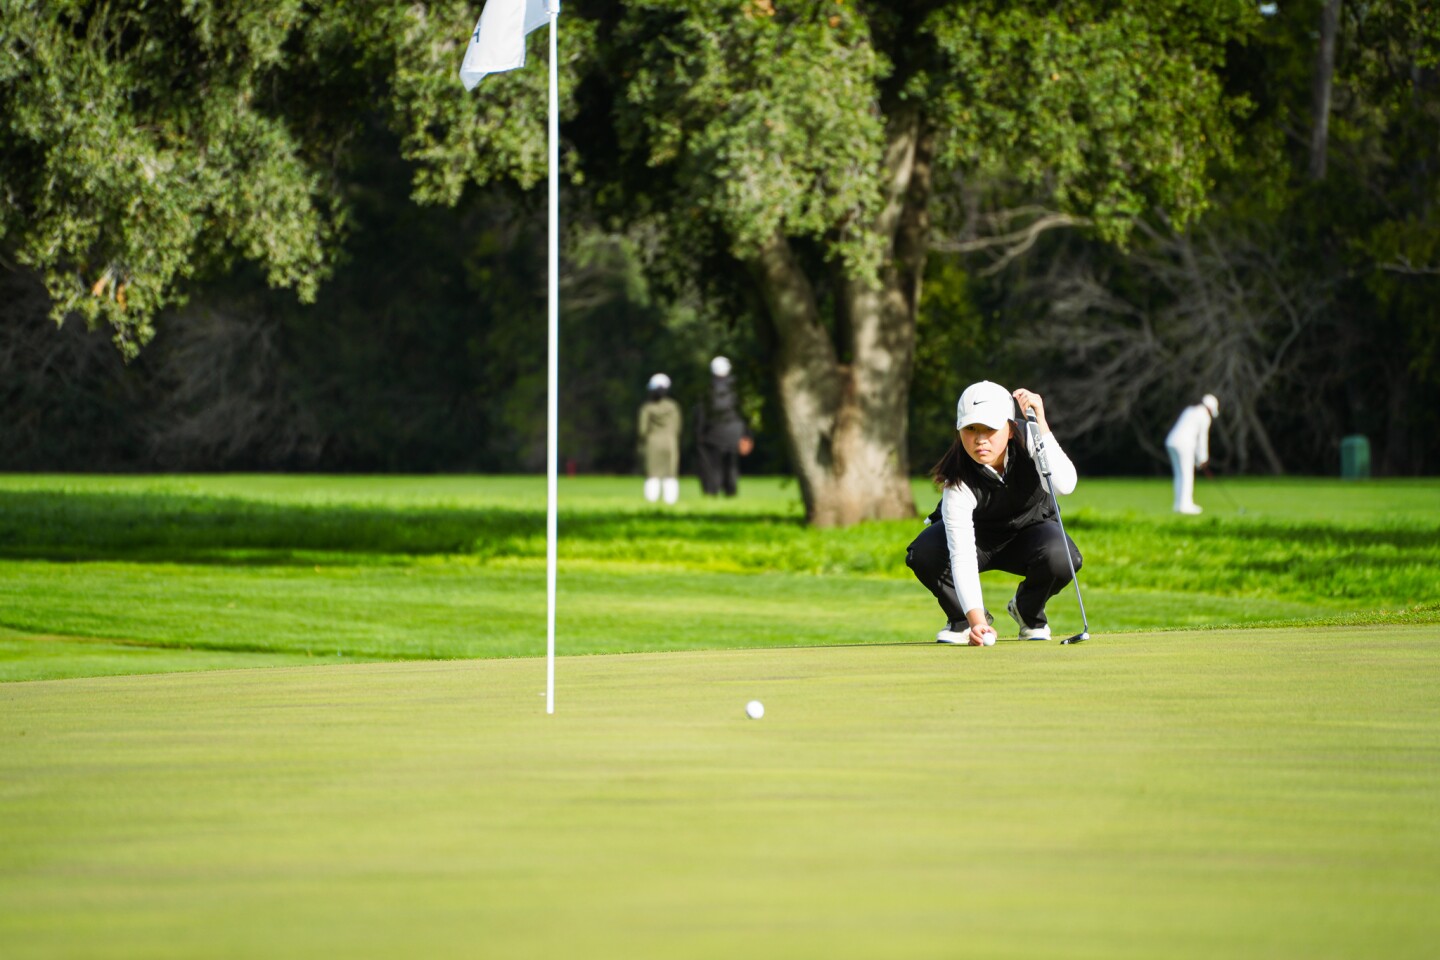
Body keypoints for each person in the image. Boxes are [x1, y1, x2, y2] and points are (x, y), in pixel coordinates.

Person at [905, 380, 1082, 646]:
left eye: (990, 429)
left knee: (1063, 556)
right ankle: (963, 622)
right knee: (925, 552)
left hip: (1029, 534)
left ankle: (1028, 612)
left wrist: (1041, 424)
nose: (979, 439)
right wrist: (978, 622)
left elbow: (1064, 484)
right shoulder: (958, 480)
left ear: (1010, 429)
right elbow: (962, 554)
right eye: (971, 429)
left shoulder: (1030, 438)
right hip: (978, 542)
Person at [694, 356, 752, 497]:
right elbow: (746, 414)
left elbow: (700, 413)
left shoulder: (707, 389)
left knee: (713, 466)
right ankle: (731, 492)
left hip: (712, 434)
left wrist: (698, 434)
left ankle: (711, 492)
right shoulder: (739, 389)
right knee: (731, 465)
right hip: (735, 433)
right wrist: (748, 435)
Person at [1164, 393, 1219, 515]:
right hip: (1184, 444)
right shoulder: (1204, 416)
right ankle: (1185, 505)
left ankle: (1178, 505)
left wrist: (1199, 459)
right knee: (1187, 475)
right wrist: (1203, 458)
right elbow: (1202, 439)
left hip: (1171, 442)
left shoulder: (1189, 410)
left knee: (1179, 474)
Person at [637, 373, 683, 504]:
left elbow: (642, 430)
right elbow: (677, 427)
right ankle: (671, 501)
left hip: (652, 443)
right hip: (670, 442)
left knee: (653, 474)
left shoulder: (647, 408)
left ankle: (651, 501)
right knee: (670, 473)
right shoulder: (673, 406)